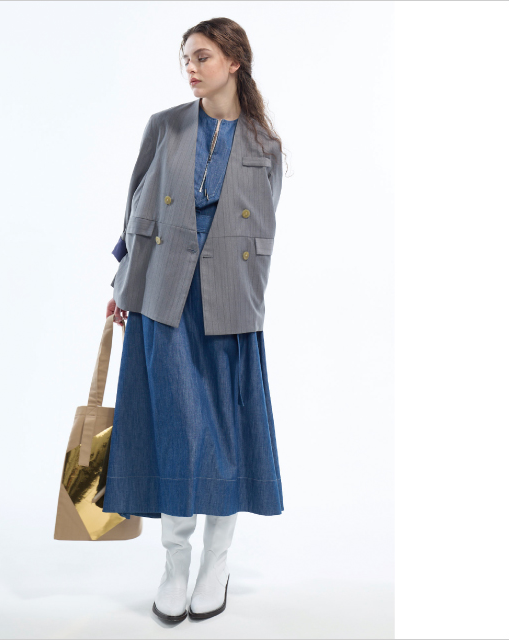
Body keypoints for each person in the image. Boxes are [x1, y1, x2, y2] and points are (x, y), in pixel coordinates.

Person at [103, 17, 285, 622]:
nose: (191, 67)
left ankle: (216, 563)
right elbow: (135, 209)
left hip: (228, 301)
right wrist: (123, 285)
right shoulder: (166, 126)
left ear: (234, 61)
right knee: (176, 428)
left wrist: (251, 303)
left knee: (224, 433)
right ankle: (175, 563)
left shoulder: (265, 145)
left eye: (202, 56)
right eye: (186, 57)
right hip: (163, 294)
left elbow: (262, 234)